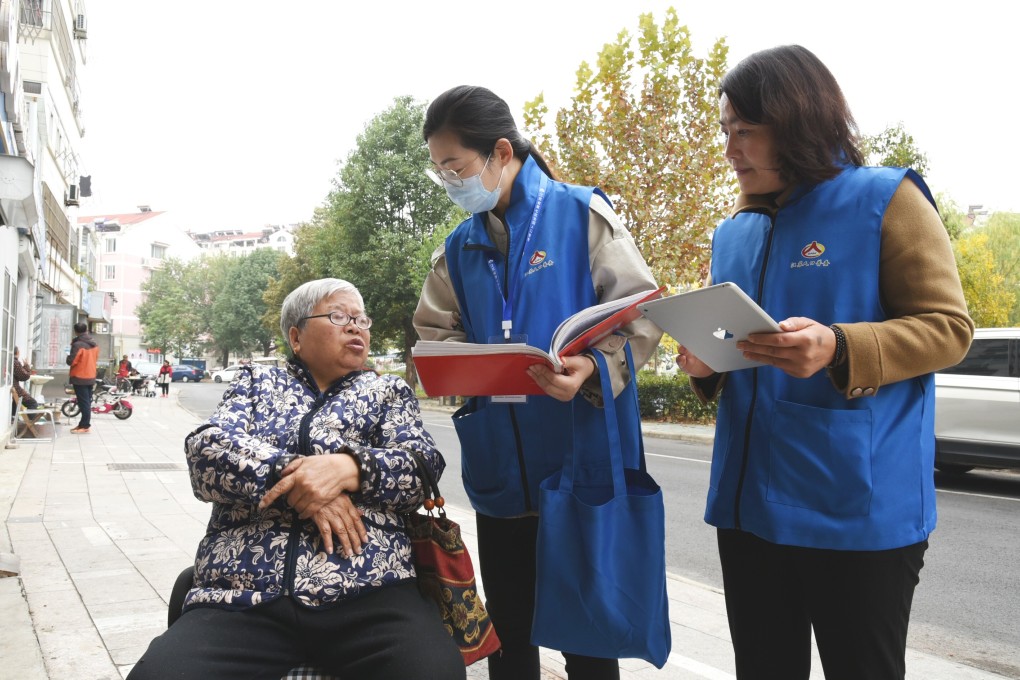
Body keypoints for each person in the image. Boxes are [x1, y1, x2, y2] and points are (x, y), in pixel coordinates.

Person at [674, 45, 974, 680]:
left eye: (745, 132)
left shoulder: (886, 200)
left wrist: (839, 346)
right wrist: (707, 366)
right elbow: (735, 349)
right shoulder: (734, 232)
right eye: (726, 132)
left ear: (798, 121)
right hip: (749, 506)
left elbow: (948, 329)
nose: (730, 149)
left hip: (856, 511)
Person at [413, 85, 662, 680]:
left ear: (501, 152)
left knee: (589, 639)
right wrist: (456, 366)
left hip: (579, 458)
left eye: (457, 167)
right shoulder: (460, 246)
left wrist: (595, 368)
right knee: (510, 635)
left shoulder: (581, 215)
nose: (451, 181)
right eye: (440, 170)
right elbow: (430, 332)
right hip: (501, 464)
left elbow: (642, 315)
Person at [128, 278, 464, 680]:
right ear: (296, 336)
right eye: (338, 316)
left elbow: (421, 465)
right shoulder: (257, 383)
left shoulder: (388, 391)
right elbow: (207, 452)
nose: (356, 326)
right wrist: (300, 478)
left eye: (361, 319)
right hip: (245, 594)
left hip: (371, 591)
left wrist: (349, 468)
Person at [66, 321, 99, 434]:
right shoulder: (94, 343)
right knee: (86, 401)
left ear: (76, 331)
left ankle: (85, 426)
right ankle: (82, 424)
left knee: (83, 402)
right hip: (91, 375)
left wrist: (68, 357)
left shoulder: (78, 345)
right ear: (86, 330)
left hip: (80, 376)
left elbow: (72, 361)